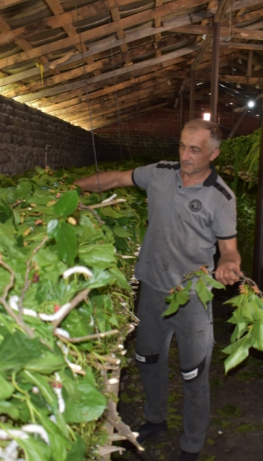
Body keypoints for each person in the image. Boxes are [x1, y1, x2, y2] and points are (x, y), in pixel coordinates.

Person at [74, 119, 241, 461]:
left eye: (195, 149)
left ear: (214, 153)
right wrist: (73, 189)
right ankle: (155, 419)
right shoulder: (159, 173)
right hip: (151, 285)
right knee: (147, 358)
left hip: (192, 295)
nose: (185, 155)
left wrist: (228, 265)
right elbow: (119, 178)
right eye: (181, 146)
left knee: (194, 371)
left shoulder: (220, 197)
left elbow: (229, 248)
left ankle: (192, 444)